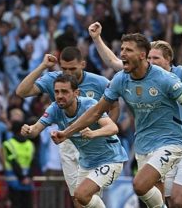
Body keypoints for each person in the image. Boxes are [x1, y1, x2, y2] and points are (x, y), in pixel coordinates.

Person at [52, 33, 182, 208]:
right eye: (122, 49)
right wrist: (66, 133)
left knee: (141, 185)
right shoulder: (121, 79)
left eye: (128, 50)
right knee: (162, 199)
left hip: (171, 142)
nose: (123, 53)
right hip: (143, 144)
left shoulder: (166, 78)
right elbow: (96, 112)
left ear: (142, 55)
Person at [15, 46, 119, 199]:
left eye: (72, 69)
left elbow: (114, 106)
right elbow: (22, 92)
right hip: (68, 141)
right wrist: (43, 66)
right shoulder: (54, 80)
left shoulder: (100, 82)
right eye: (64, 69)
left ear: (82, 65)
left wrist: (103, 132)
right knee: (78, 197)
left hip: (94, 140)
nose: (68, 73)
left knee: (91, 194)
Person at [21, 74, 127, 207]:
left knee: (82, 194)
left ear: (76, 93)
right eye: (57, 91)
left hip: (110, 159)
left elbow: (112, 128)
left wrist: (93, 133)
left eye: (64, 91)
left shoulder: (90, 104)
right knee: (80, 202)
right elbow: (35, 130)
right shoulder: (54, 109)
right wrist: (28, 130)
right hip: (86, 163)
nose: (59, 96)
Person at [2, 121, 35, 208]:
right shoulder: (30, 144)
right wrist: (27, 177)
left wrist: (23, 178)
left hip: (17, 181)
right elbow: (33, 164)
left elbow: (14, 162)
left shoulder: (8, 144)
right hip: (23, 182)